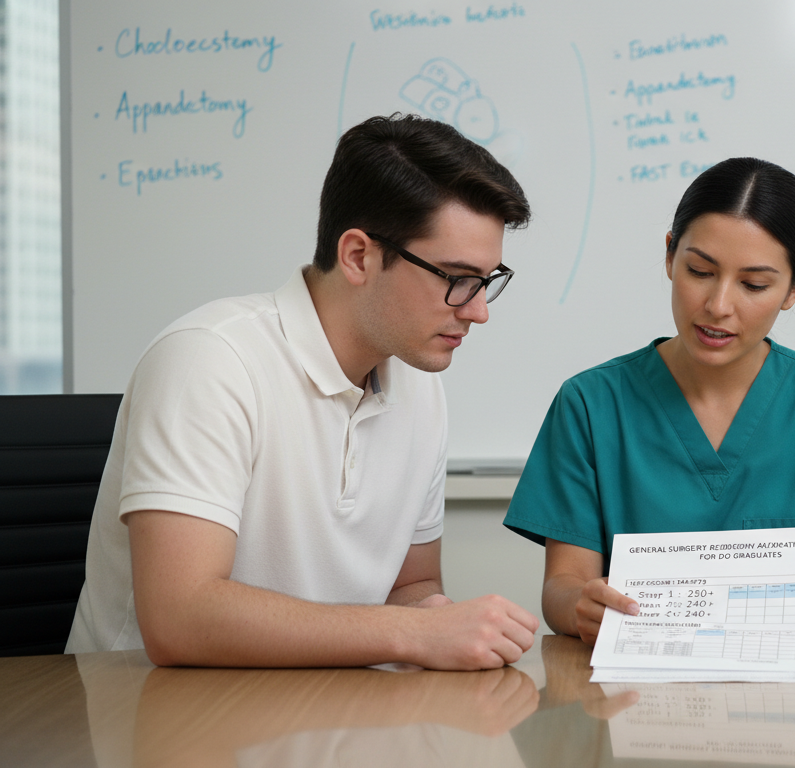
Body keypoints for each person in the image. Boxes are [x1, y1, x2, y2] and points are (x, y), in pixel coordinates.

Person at [66, 114, 540, 669]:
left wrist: (436, 622)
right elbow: (179, 617)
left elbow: (411, 585)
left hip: (321, 718)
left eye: (487, 282)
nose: (478, 311)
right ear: (358, 256)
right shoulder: (210, 360)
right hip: (152, 724)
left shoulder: (419, 386)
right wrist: (413, 631)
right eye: (456, 279)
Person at [502, 157, 795, 647]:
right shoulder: (589, 404)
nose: (718, 306)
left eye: (754, 284)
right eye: (699, 271)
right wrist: (580, 605)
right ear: (670, 255)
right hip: (631, 705)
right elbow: (563, 586)